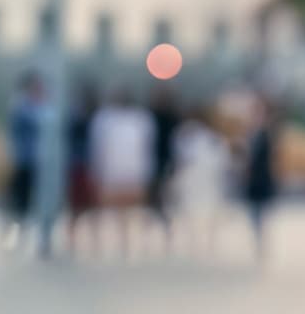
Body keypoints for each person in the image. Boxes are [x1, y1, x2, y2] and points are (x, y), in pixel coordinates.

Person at [88, 86, 157, 258]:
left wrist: (147, 172)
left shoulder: (140, 119)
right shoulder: (104, 119)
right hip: (112, 171)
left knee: (133, 211)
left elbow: (146, 148)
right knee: (109, 210)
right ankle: (104, 244)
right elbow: (98, 148)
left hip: (133, 170)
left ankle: (133, 244)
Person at [170, 107, 233, 257]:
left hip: (206, 180)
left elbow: (221, 160)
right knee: (193, 212)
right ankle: (197, 241)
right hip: (194, 180)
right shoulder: (187, 135)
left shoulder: (211, 138)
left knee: (207, 212)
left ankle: (207, 242)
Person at [0, 71, 47, 252]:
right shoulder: (22, 105)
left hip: (30, 160)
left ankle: (19, 237)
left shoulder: (30, 105)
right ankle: (8, 236)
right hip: (22, 160)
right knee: (16, 201)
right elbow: (39, 120)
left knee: (24, 202)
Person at [240, 96, 280, 263]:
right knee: (254, 216)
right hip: (252, 182)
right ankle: (258, 244)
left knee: (259, 216)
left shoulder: (266, 135)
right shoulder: (250, 135)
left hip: (262, 181)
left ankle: (260, 246)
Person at [64, 82, 99, 254]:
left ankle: (88, 240)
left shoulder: (88, 115)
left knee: (86, 206)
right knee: (80, 205)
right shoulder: (78, 116)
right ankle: (80, 239)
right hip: (79, 166)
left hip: (84, 166)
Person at [146, 85, 182, 248]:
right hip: (155, 161)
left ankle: (166, 222)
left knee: (166, 195)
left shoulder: (171, 118)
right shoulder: (152, 117)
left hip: (166, 161)